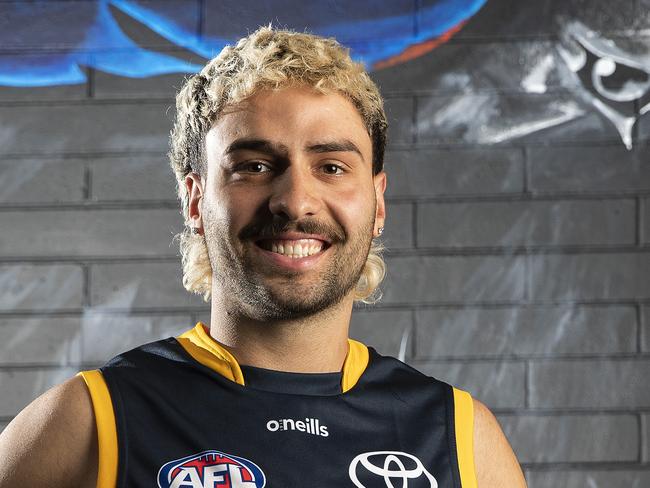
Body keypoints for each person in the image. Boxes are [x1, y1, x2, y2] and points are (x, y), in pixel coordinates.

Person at [0, 27, 526, 488]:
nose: (295, 201)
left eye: (332, 167)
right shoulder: (89, 422)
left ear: (378, 200)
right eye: (253, 166)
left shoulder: (461, 439)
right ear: (194, 200)